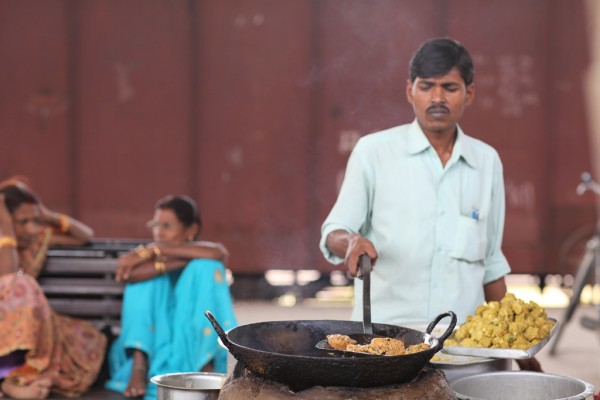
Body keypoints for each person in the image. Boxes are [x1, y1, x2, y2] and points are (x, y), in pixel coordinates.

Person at [319, 38, 541, 371]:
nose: (437, 98)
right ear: (410, 91)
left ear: (469, 93)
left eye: (450, 87)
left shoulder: (486, 162)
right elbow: (333, 233)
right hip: (387, 350)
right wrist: (350, 242)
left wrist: (523, 354)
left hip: (468, 353)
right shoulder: (374, 153)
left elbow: (491, 263)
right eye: (427, 87)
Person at [105, 195, 237, 399]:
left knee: (207, 268)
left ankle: (204, 365)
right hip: (151, 342)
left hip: (190, 340)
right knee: (147, 280)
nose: (159, 232)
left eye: (167, 226)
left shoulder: (165, 253)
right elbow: (128, 274)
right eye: (155, 225)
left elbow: (219, 254)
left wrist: (155, 250)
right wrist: (169, 260)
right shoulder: (151, 256)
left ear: (191, 230)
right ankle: (139, 367)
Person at [0, 177, 106, 399]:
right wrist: (6, 229)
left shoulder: (35, 238)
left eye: (34, 220)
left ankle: (13, 381)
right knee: (22, 283)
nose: (31, 228)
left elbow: (85, 236)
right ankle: (11, 382)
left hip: (30, 322)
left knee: (88, 340)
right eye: (23, 221)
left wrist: (48, 216)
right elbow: (8, 276)